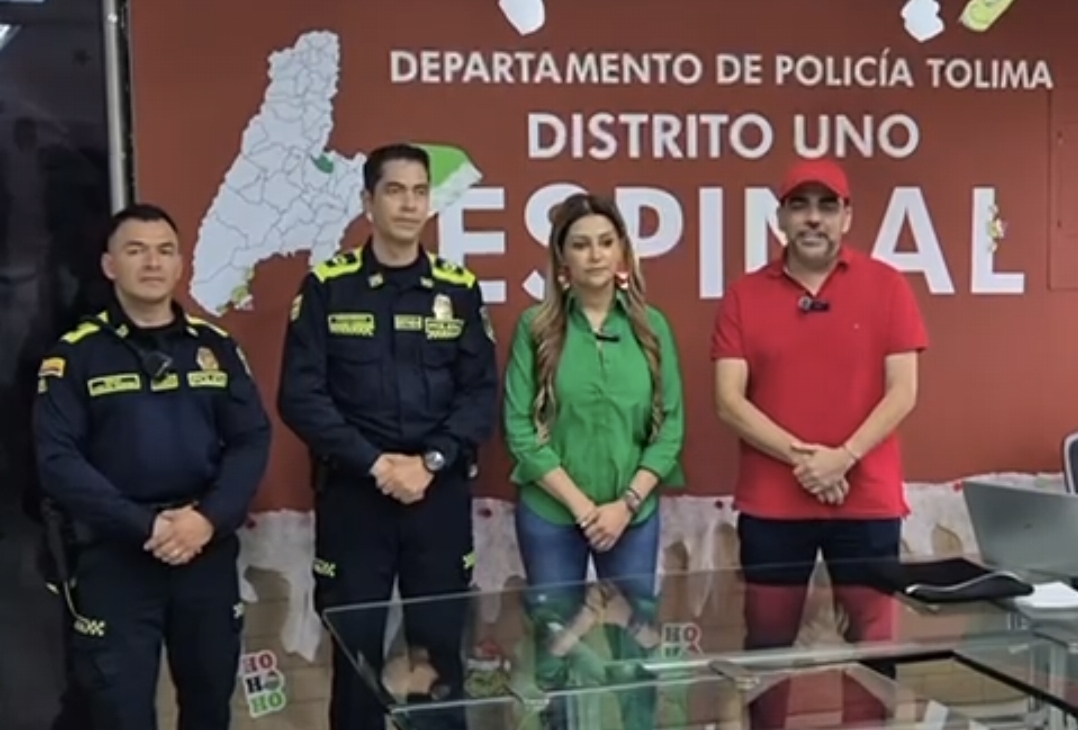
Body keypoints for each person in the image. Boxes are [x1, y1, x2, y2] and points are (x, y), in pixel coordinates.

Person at [277, 143, 498, 730]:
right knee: (357, 660)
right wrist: (377, 465)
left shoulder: (458, 288)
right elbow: (301, 397)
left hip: (437, 496)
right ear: (367, 202)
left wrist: (429, 462)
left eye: (420, 191)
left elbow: (480, 395)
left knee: (439, 657)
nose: (409, 204)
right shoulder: (327, 287)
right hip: (356, 498)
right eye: (395, 190)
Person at [32, 203, 272, 730]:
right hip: (117, 558)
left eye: (164, 251)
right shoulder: (75, 356)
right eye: (136, 251)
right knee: (120, 713)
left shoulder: (216, 348)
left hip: (204, 552)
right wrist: (146, 526)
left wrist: (205, 520)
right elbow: (58, 461)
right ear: (109, 265)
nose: (152, 263)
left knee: (209, 707)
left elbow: (251, 439)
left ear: (180, 263)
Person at [711, 159, 927, 728]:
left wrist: (843, 458)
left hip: (867, 500)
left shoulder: (888, 286)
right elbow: (728, 401)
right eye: (799, 206)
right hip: (774, 505)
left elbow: (903, 392)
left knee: (873, 648)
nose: (813, 218)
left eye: (827, 206)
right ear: (780, 217)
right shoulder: (744, 295)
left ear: (846, 217)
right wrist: (807, 461)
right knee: (767, 650)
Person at [503, 192, 685, 730]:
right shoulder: (535, 328)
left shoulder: (652, 328)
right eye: (581, 245)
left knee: (636, 644)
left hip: (632, 515)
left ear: (623, 251)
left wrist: (624, 505)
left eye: (606, 242)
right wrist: (585, 509)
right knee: (557, 644)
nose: (596, 254)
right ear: (562, 258)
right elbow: (520, 431)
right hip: (553, 514)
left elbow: (670, 428)